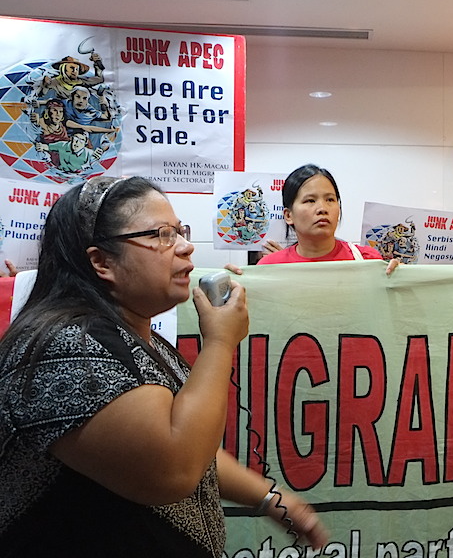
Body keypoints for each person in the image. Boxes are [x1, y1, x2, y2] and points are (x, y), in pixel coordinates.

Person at [0, 176, 328, 555]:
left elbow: (180, 437)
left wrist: (270, 498)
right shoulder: (64, 348)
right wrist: (220, 343)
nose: (187, 247)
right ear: (100, 261)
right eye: (162, 234)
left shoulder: (130, 336)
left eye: (180, 231)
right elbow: (174, 465)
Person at [228, 164, 396, 272]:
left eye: (330, 200)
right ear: (288, 215)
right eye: (310, 200)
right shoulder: (269, 267)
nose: (322, 209)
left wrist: (400, 280)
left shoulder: (368, 260)